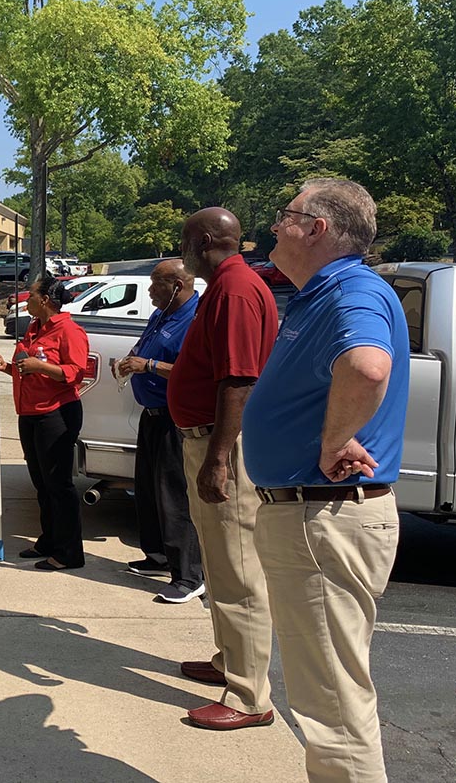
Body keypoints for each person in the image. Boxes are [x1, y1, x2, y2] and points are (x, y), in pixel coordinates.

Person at [243, 179, 408, 782]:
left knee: (331, 707)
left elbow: (367, 367)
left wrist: (334, 440)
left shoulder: (349, 292)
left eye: (285, 215)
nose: (273, 227)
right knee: (331, 698)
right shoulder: (324, 294)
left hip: (321, 517)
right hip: (316, 515)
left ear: (315, 228)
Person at [167, 207, 278, 731]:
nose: (182, 249)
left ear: (206, 240)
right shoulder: (227, 286)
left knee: (237, 571)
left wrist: (217, 459)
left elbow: (238, 379)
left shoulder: (234, 290)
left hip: (221, 446)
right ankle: (229, 661)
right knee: (219, 561)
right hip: (209, 441)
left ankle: (249, 696)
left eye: (186, 240)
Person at [113, 259, 204, 604]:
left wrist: (148, 365)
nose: (149, 291)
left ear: (176, 286)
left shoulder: (195, 319)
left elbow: (193, 370)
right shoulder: (160, 315)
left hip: (175, 417)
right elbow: (143, 350)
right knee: (148, 490)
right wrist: (129, 361)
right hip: (151, 415)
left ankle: (188, 575)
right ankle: (158, 556)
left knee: (175, 496)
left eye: (155, 284)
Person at [0, 274, 89, 570]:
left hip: (56, 414)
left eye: (30, 295)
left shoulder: (68, 331)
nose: (26, 299)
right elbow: (26, 371)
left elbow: (76, 373)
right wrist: (6, 367)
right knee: (42, 484)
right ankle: (49, 540)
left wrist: (40, 366)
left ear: (44, 300)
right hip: (30, 414)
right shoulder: (33, 329)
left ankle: (69, 552)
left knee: (59, 484)